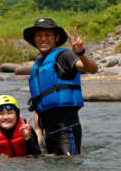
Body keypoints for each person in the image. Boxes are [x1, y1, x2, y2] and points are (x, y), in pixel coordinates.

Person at [24, 18, 98, 155]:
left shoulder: (64, 56)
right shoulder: (38, 66)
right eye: (39, 35)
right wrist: (38, 133)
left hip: (66, 128)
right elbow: (39, 102)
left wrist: (81, 53)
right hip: (48, 132)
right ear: (34, 39)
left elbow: (92, 69)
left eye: (47, 35)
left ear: (56, 38)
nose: (43, 39)